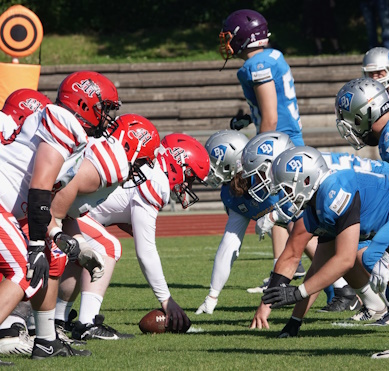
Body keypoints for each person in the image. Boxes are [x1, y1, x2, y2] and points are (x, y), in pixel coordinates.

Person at [0, 71, 121, 360]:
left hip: (10, 207)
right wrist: (35, 245)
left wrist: (57, 237)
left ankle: (46, 341)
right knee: (22, 268)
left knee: (53, 256)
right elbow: (40, 187)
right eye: (104, 108)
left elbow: (43, 201)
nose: (107, 117)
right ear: (84, 103)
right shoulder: (64, 121)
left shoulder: (72, 135)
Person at [54, 132, 209, 339]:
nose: (188, 186)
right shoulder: (157, 181)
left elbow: (114, 212)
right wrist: (166, 300)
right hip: (66, 209)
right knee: (108, 246)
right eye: (189, 178)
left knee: (80, 257)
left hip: (65, 206)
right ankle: (87, 324)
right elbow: (145, 251)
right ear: (177, 164)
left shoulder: (149, 171)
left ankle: (57, 320)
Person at [252, 146, 389, 359]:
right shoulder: (317, 205)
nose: (286, 196)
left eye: (288, 188)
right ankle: (377, 307)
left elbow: (344, 260)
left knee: (374, 262)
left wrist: (299, 292)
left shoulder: (334, 192)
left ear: (306, 180)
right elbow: (317, 266)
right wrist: (294, 321)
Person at [196, 130, 307, 315]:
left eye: (217, 164)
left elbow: (308, 220)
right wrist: (212, 296)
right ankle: (342, 291)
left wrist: (274, 216)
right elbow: (229, 244)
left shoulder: (270, 178)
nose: (211, 171)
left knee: (303, 230)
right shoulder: (232, 193)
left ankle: (343, 289)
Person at [219, 9, 303, 145]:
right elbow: (278, 104)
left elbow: (271, 119)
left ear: (242, 37)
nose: (227, 42)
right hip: (288, 140)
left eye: (229, 37)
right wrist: (252, 118)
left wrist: (259, 150)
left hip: (279, 145)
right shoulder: (272, 55)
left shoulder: (259, 65)